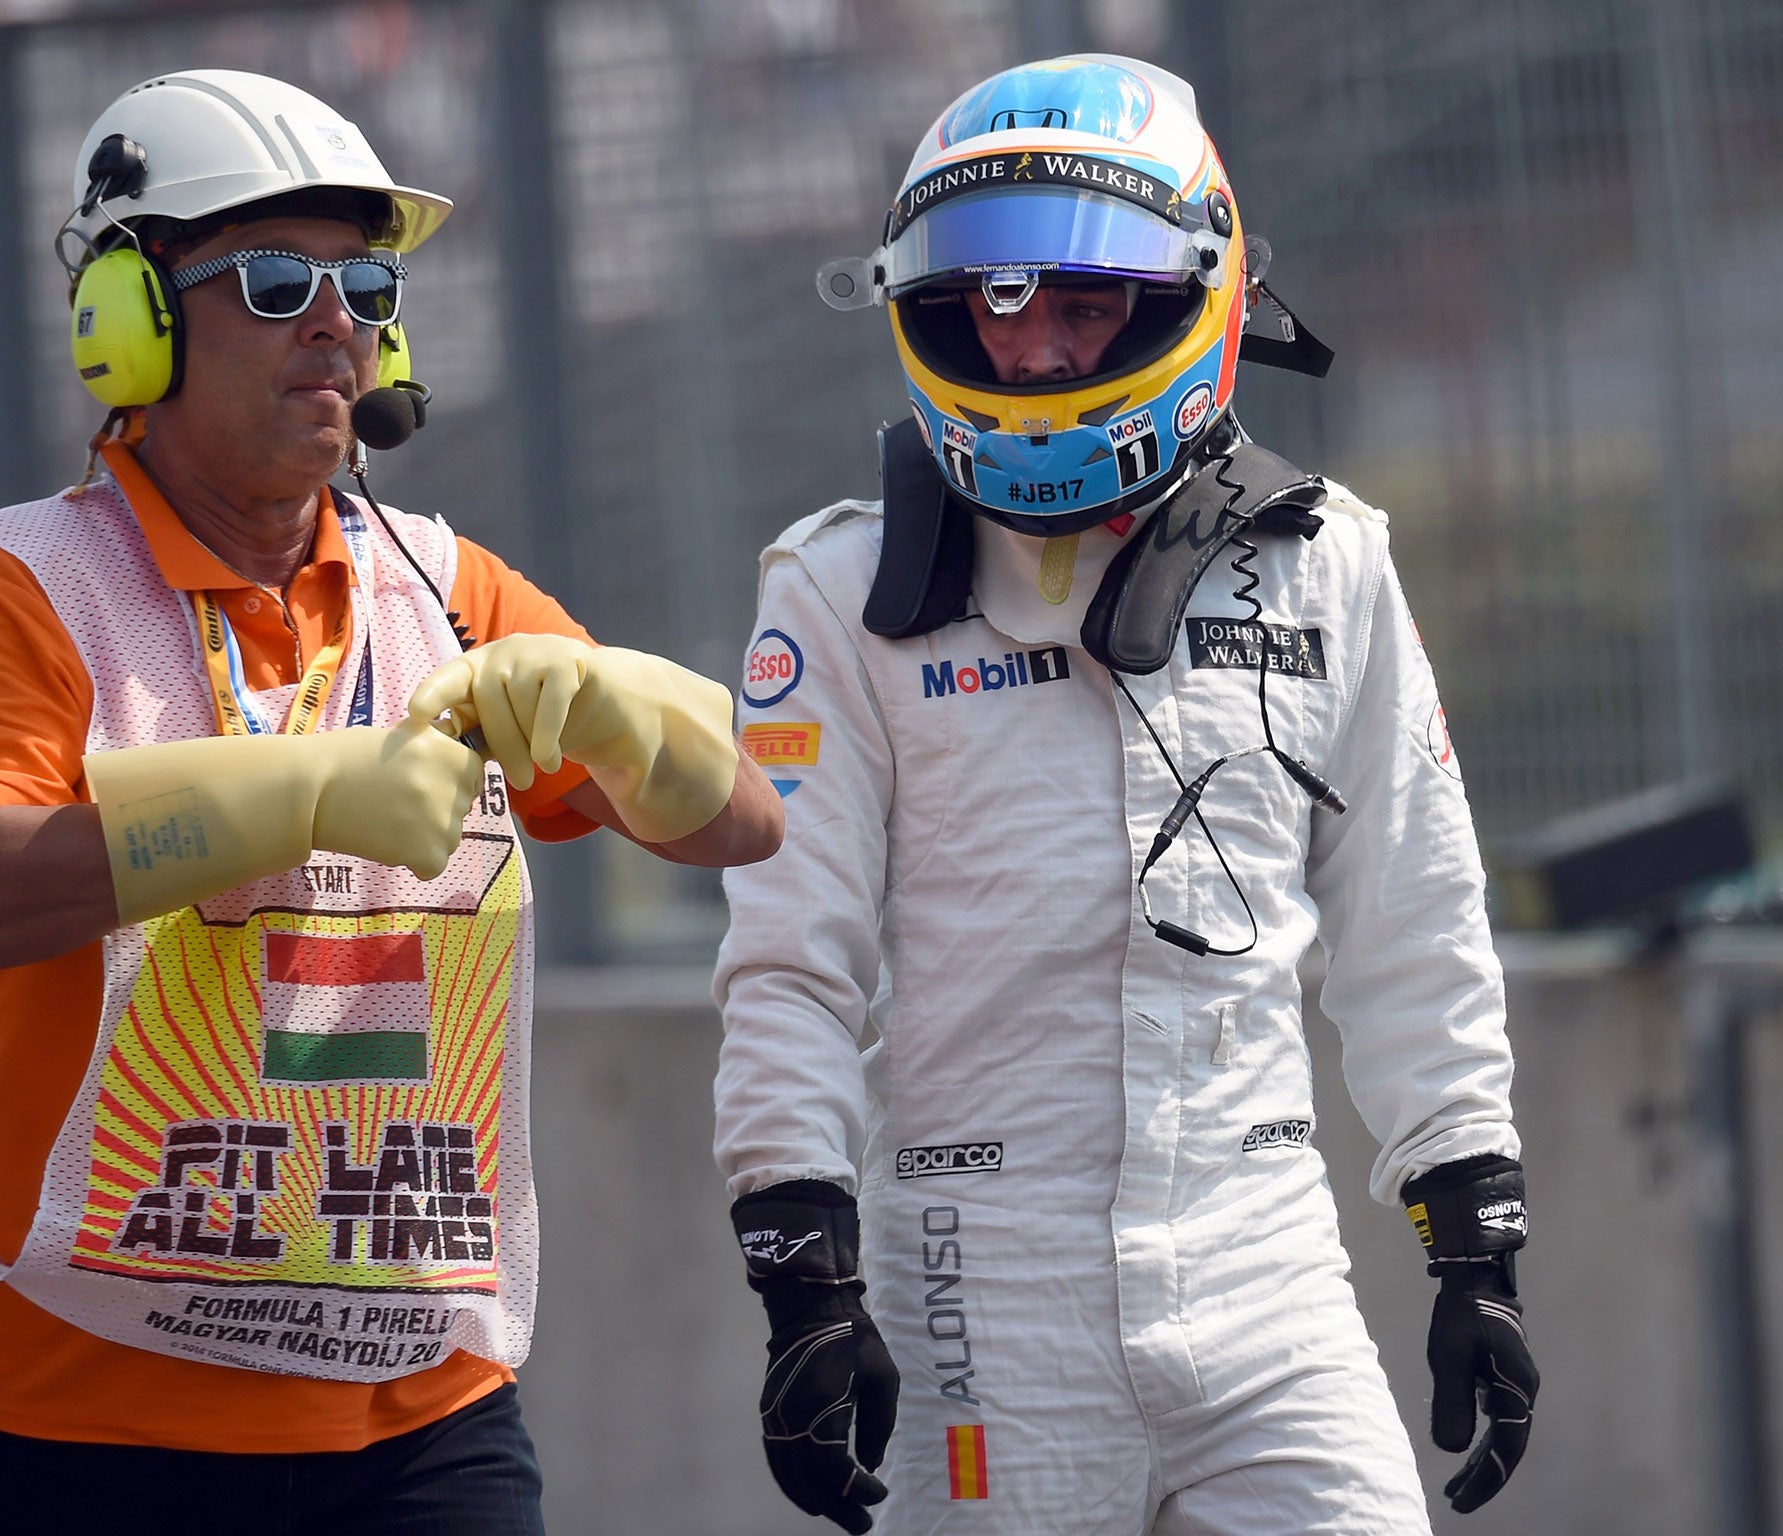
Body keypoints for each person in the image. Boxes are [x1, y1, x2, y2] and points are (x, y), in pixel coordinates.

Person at [713, 53, 1536, 1536]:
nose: (1027, 358)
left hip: (1267, 1266)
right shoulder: (835, 590)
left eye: (1082, 306)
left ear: (1193, 300)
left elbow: (1414, 911)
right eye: (990, 309)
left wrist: (1475, 1233)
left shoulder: (1328, 557)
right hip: (978, 1280)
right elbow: (790, 963)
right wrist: (801, 1271)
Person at [0, 68, 780, 1535]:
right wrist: (293, 790)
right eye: (278, 279)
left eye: (366, 284)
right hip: (84, 1415)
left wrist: (632, 732)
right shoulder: (30, 591)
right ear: (132, 321)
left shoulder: (446, 586)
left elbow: (743, 826)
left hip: (422, 1415)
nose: (338, 322)